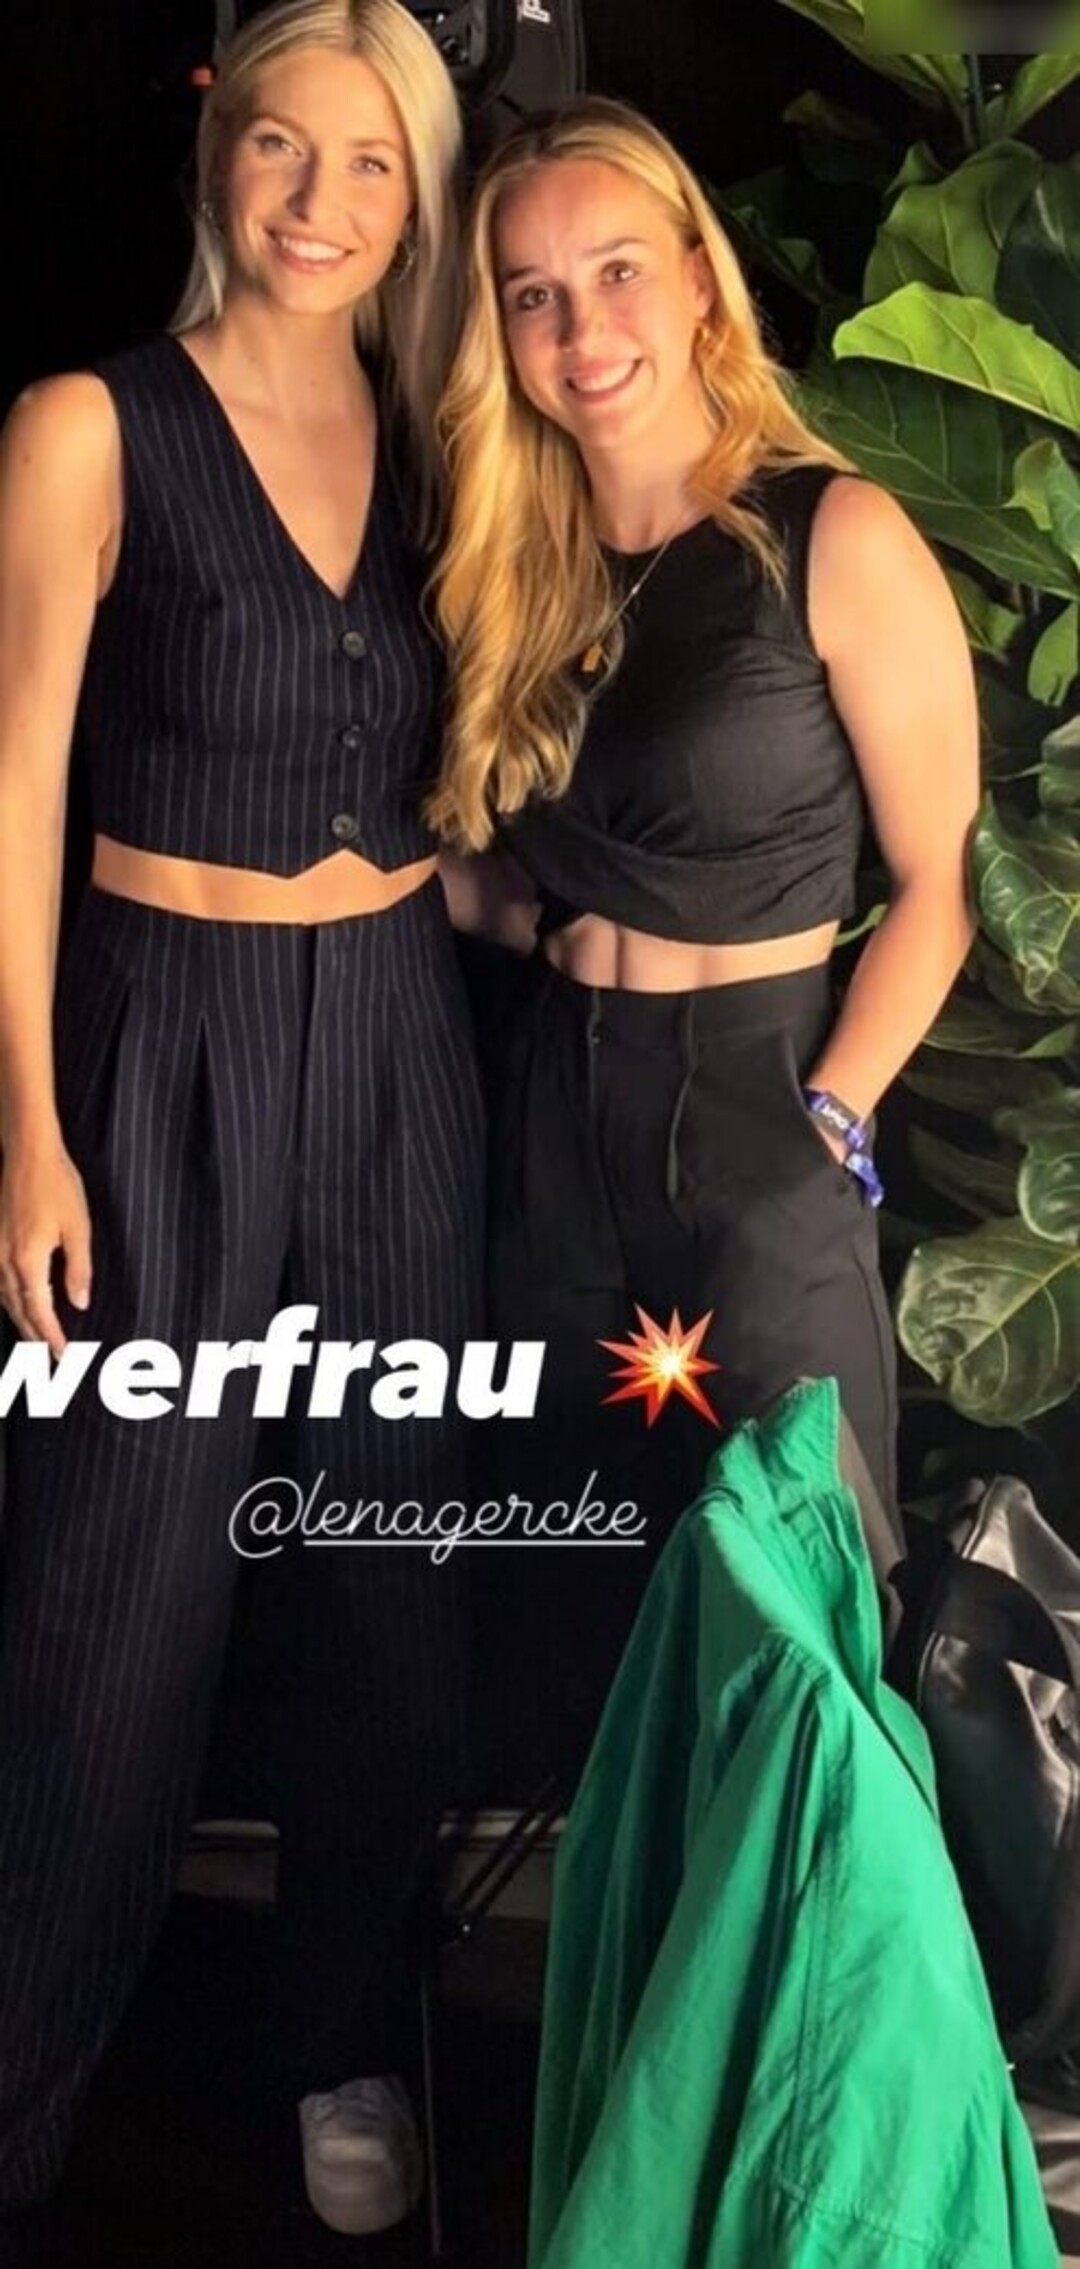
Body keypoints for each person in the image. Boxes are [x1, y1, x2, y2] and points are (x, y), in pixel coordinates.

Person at [0, 0, 482, 2251]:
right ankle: (22, 2078)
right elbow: (16, 786)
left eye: (371, 164)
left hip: (397, 1036)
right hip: (156, 1039)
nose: (319, 200)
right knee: (109, 1604)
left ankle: (339, 2037)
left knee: (388, 1581)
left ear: (418, 201)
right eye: (286, 146)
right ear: (220, 154)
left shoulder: (446, 438)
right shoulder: (87, 424)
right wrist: (29, 1124)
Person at [432, 97, 979, 1779]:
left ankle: (826, 1965)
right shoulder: (509, 570)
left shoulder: (834, 533)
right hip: (555, 1122)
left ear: (694, 278)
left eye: (615, 271)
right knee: (590, 1608)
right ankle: (630, 1958)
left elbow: (939, 888)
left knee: (799, 1620)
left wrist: (826, 1123)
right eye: (532, 294)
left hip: (760, 1101)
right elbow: (496, 875)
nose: (581, 328)